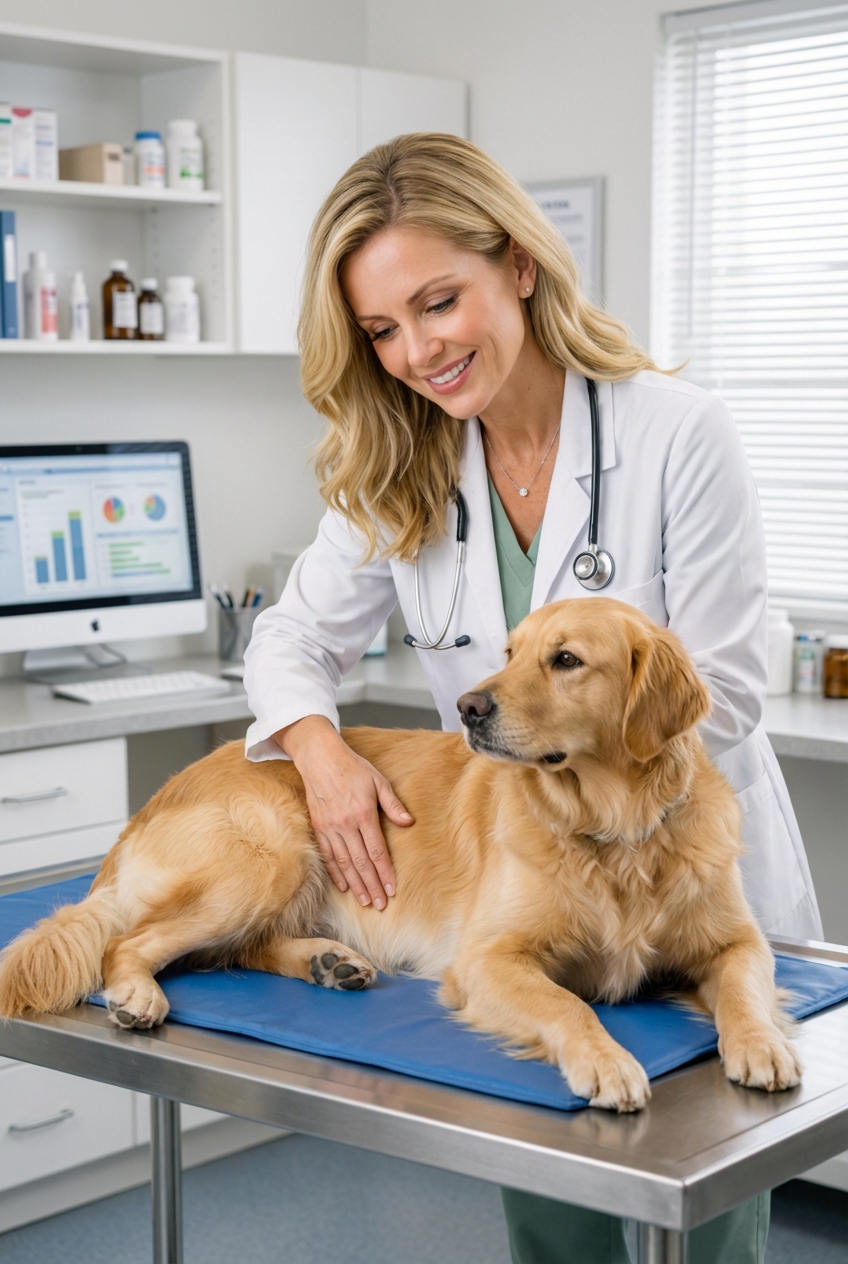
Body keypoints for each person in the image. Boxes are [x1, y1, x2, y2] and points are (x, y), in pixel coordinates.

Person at [244, 133, 820, 1264]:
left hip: (684, 873)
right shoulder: (399, 464)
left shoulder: (672, 432)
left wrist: (568, 721)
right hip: (533, 877)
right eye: (380, 329)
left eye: (437, 301)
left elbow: (730, 693)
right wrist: (320, 754)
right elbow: (291, 638)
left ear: (515, 262)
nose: (414, 351)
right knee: (551, 1197)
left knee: (704, 1219)